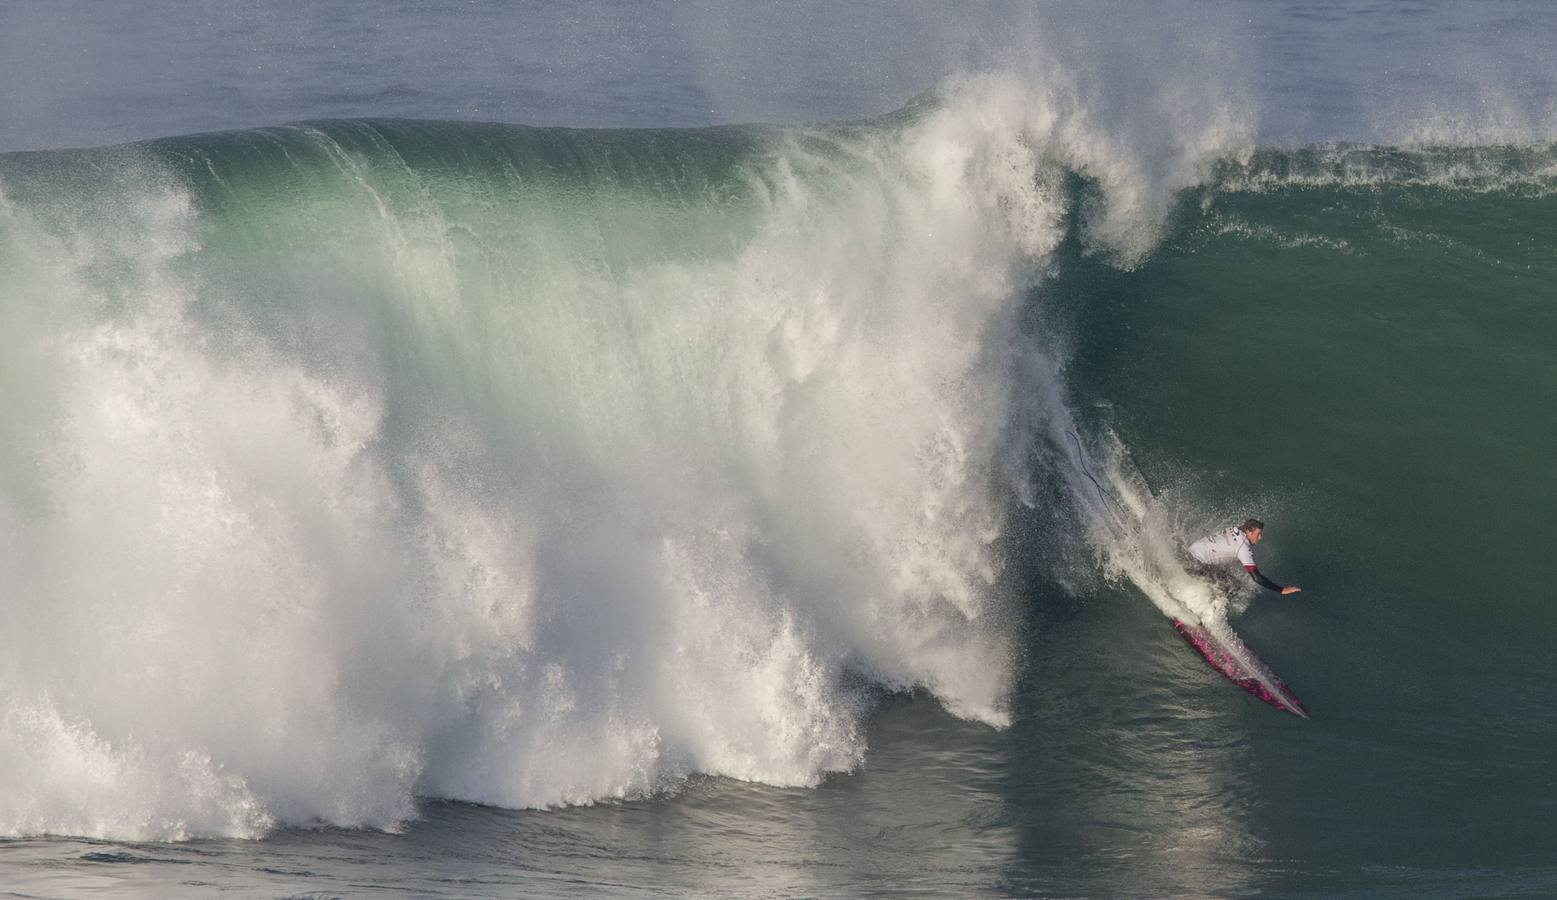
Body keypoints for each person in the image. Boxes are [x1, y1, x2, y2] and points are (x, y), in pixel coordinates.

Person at [1187, 518, 1301, 595]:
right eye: (1258, 534)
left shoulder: (1235, 529)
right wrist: (1282, 590)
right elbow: (1256, 577)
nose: (1260, 538)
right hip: (1197, 564)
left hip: (1190, 552)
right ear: (1248, 532)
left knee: (1223, 575)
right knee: (1234, 586)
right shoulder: (1243, 547)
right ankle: (1207, 612)